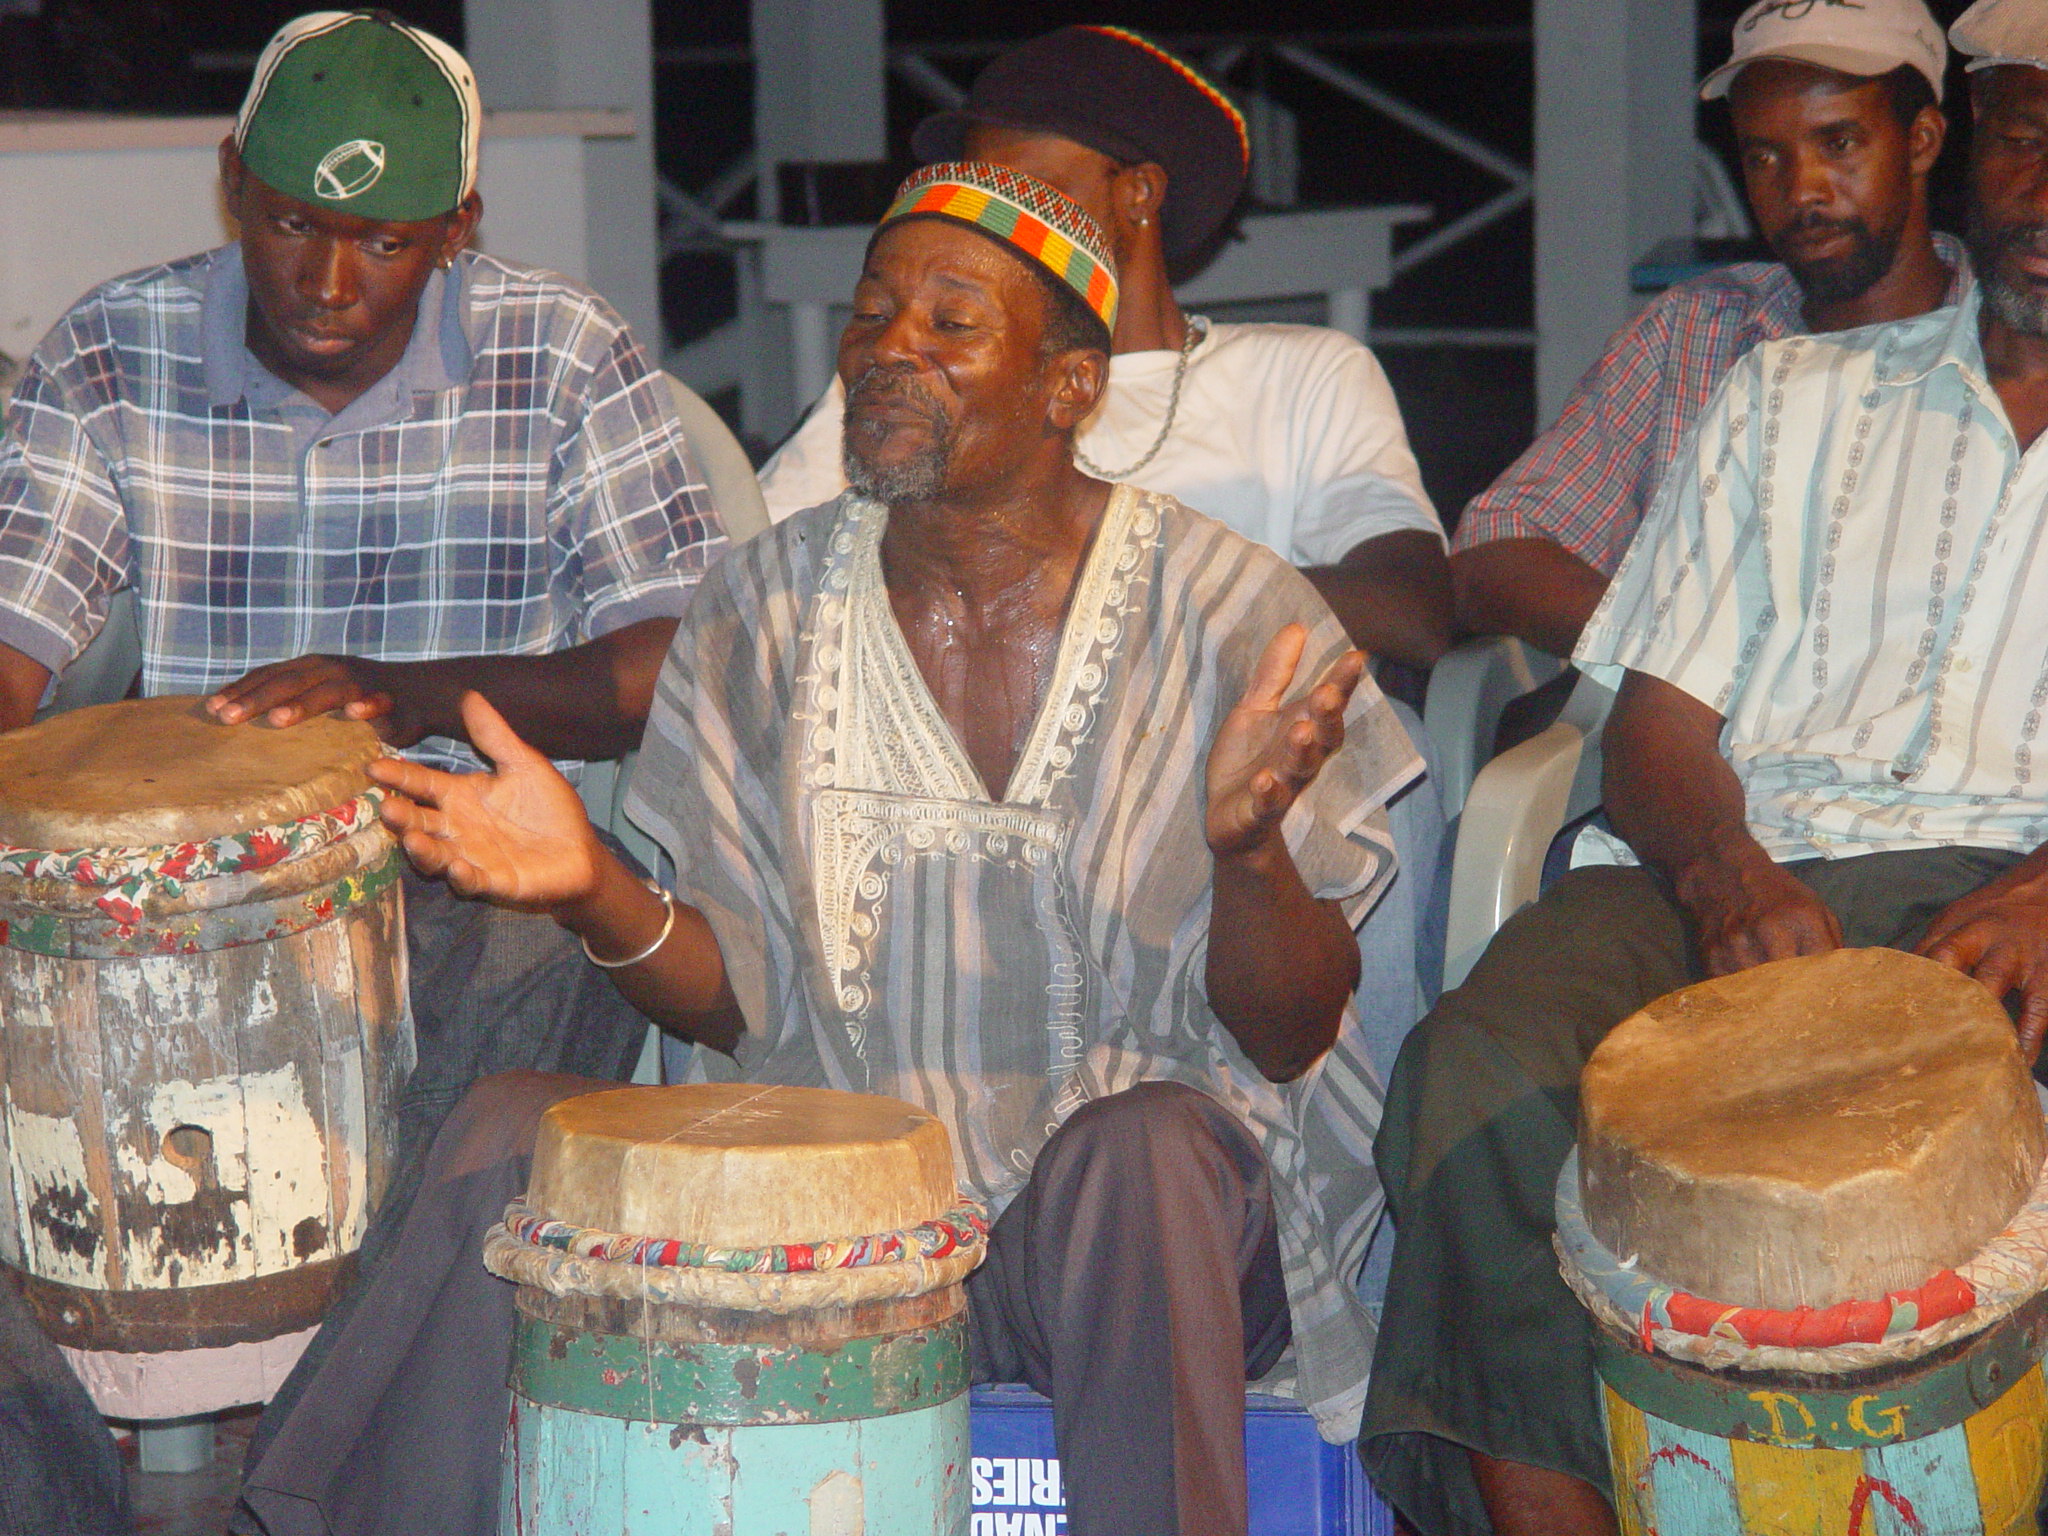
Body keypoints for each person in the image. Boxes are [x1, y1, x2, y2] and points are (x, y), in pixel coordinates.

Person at [234, 161, 1420, 1536]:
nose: (888, 352)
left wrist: (1251, 850)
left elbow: (1291, 1032)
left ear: (1070, 385)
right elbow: (735, 997)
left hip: (1151, 1243)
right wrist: (593, 888)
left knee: (1136, 1153)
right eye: (871, 318)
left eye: (948, 324)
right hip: (827, 1216)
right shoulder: (764, 607)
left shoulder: (1232, 611)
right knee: (513, 1133)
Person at [0, 17, 718, 1533]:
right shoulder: (109, 352)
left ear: (458, 227)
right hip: (181, 903)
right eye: (292, 225)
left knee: (540, 973)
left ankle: (295, 1486)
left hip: (472, 867)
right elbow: (13, 646)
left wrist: (397, 694)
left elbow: (675, 667)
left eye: (383, 244)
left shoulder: (563, 355)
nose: (328, 285)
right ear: (230, 188)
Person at [1361, 6, 2048, 1532]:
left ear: (1907, 144)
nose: (2047, 190)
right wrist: (1723, 870)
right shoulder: (1783, 396)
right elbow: (1657, 724)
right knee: (1482, 1071)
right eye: (2026, 138)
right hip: (1735, 857)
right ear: (1973, 153)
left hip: (2016, 878)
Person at [756, 25, 1453, 675]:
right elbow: (754, 583)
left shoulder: (1303, 374)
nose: (993, 226)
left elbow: (1410, 608)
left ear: (1139, 193)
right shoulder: (927, 375)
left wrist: (1107, 599)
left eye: (1026, 195)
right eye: (976, 195)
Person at [1450, 0, 1965, 661]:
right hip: (1678, 735)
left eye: (1838, 143)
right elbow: (1492, 548)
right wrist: (1680, 661)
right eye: (1764, 157)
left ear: (1921, 140)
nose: (1802, 189)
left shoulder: (2006, 346)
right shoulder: (1694, 329)